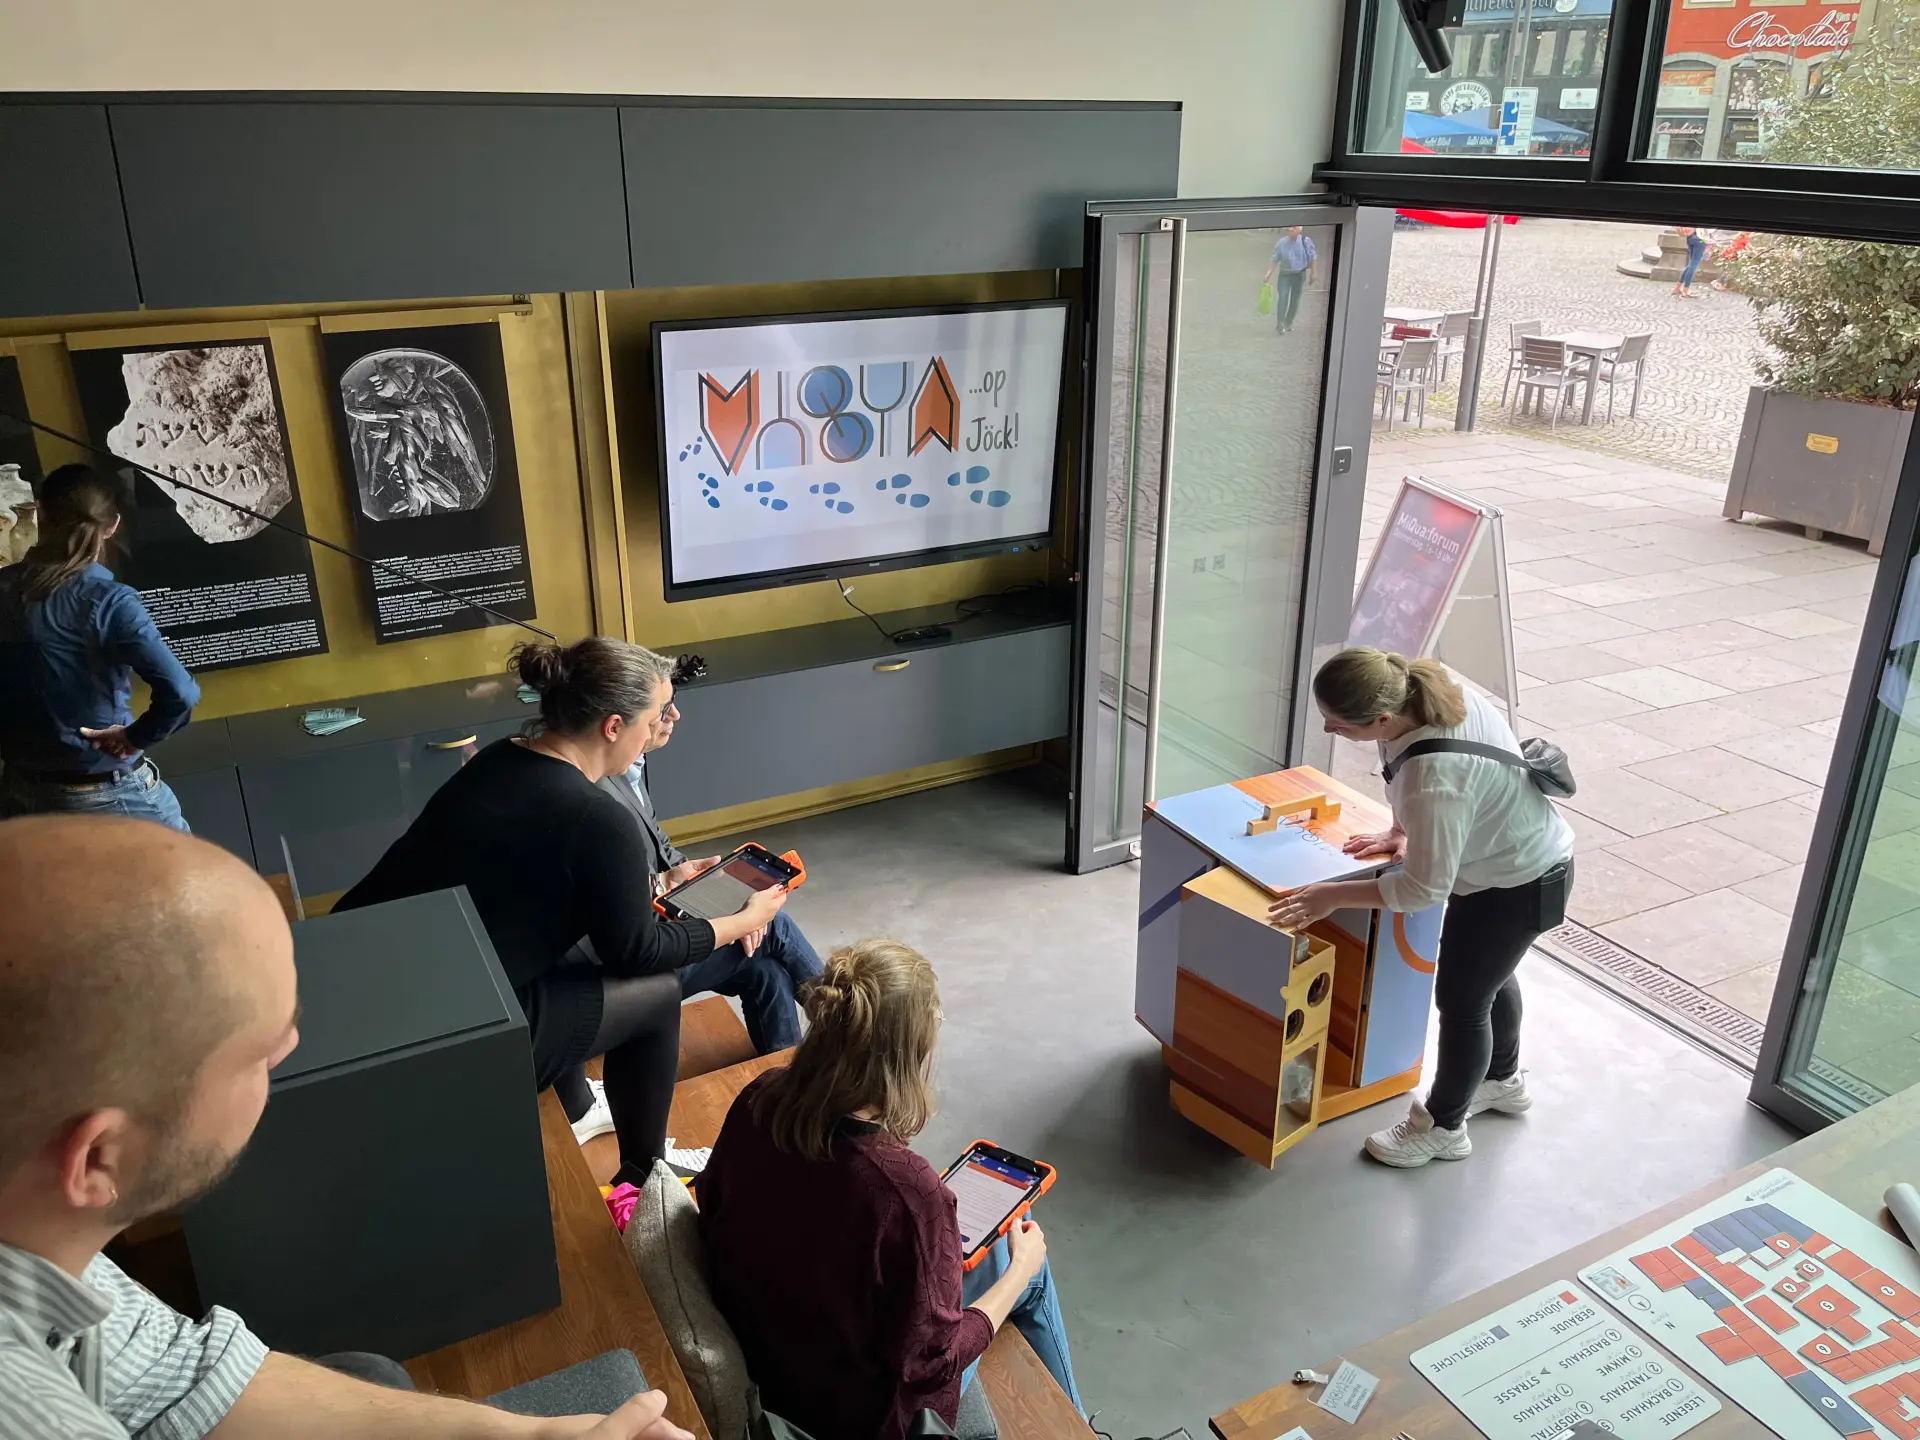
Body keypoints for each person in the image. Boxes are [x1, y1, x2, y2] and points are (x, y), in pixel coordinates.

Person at [0, 814, 692, 1439]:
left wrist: (522, 1436)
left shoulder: (42, 1238)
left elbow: (184, 1376)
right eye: (259, 1050)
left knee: (369, 1372)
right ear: (97, 1161)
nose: (289, 1049)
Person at [335, 638, 788, 1183]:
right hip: (451, 1034)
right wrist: (739, 923)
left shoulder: (503, 758)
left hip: (369, 982)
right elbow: (637, 951)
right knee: (658, 993)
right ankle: (647, 1178)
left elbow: (539, 880)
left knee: (583, 955)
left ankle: (589, 1113)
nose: (654, 735)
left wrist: (658, 881)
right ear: (613, 727)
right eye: (650, 722)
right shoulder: (599, 817)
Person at [698, 939, 1084, 1440]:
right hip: (867, 1419)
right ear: (910, 1053)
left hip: (776, 1366)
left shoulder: (761, 1096)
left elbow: (716, 1202)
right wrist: (1019, 1270)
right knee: (1027, 1264)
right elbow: (930, 1363)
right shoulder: (907, 1192)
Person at [1267, 648, 1574, 1170]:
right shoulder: (1422, 695)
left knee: (1463, 1003)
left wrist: (1331, 895)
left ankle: (1443, 1128)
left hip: (1519, 882)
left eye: (1338, 725)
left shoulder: (1435, 778)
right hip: (1505, 867)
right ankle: (1501, 1081)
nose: (1328, 727)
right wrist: (1400, 831)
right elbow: (1399, 773)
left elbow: (1422, 890)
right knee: (1490, 978)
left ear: (1383, 719)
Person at [597, 688, 824, 1057]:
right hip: (635, 958)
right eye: (663, 708)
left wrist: (679, 880)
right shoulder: (599, 789)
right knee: (773, 927)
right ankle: (854, 1027)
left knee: (763, 970)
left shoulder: (627, 769)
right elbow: (616, 911)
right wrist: (737, 920)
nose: (675, 716)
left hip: (654, 920)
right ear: (617, 723)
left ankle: (785, 1083)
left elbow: (659, 849)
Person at [0, 464, 199, 830]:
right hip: (104, 793)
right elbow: (181, 693)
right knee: (199, 884)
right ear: (112, 526)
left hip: (19, 797)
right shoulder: (109, 601)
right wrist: (134, 737)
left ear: (40, 512)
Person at [1263, 225, 1318, 335]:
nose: (1290, 229)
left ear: (1299, 230)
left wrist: (1313, 273)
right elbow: (1275, 258)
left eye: (1294, 227)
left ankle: (1288, 322)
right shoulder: (1282, 243)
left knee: (1295, 300)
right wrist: (1268, 273)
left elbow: (1313, 257)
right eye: (1290, 227)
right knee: (1283, 298)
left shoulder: (1305, 241)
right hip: (1285, 274)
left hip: (1299, 274)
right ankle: (1280, 324)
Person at [1672, 225, 1707, 298]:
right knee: (1694, 265)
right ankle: (1685, 291)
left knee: (1691, 264)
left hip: (1690, 237)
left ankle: (1677, 288)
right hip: (1700, 237)